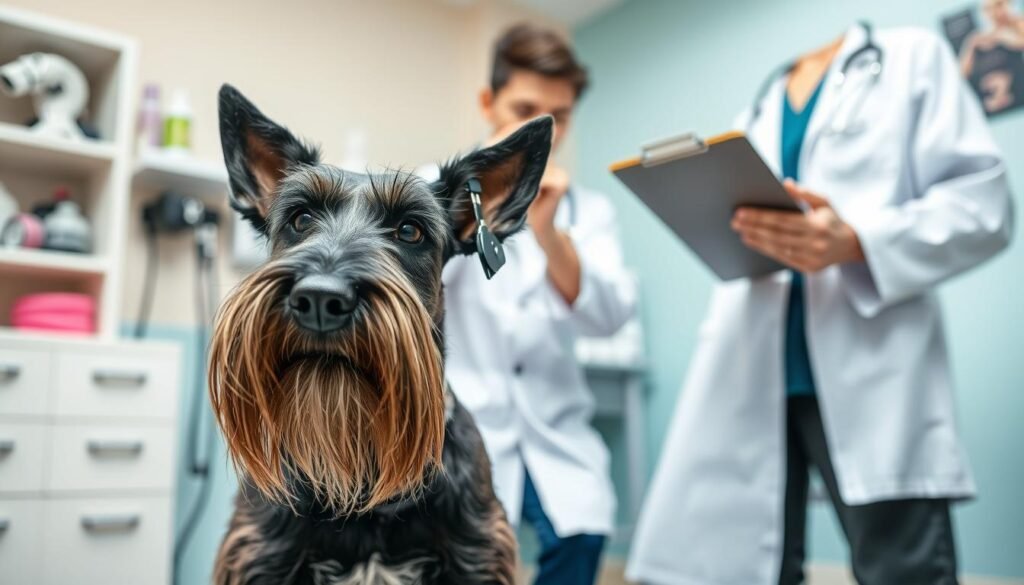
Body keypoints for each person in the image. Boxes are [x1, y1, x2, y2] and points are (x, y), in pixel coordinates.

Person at [628, 23, 1013, 585]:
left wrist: (856, 239)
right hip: (758, 373)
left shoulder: (911, 57)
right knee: (761, 565)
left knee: (901, 569)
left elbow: (985, 206)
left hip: (874, 367)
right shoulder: (761, 103)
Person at [440, 23, 636, 585]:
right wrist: (477, 212)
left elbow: (607, 315)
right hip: (463, 422)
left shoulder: (588, 212)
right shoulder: (436, 191)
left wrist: (549, 233)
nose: (538, 128)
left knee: (580, 536)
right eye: (522, 106)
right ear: (487, 101)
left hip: (555, 428)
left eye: (559, 115)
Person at [959, 0, 1024, 114]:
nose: (995, 12)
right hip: (991, 106)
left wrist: (1001, 36)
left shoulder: (1018, 25)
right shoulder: (978, 39)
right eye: (988, 9)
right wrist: (970, 46)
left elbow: (1020, 43)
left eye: (999, 5)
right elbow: (961, 73)